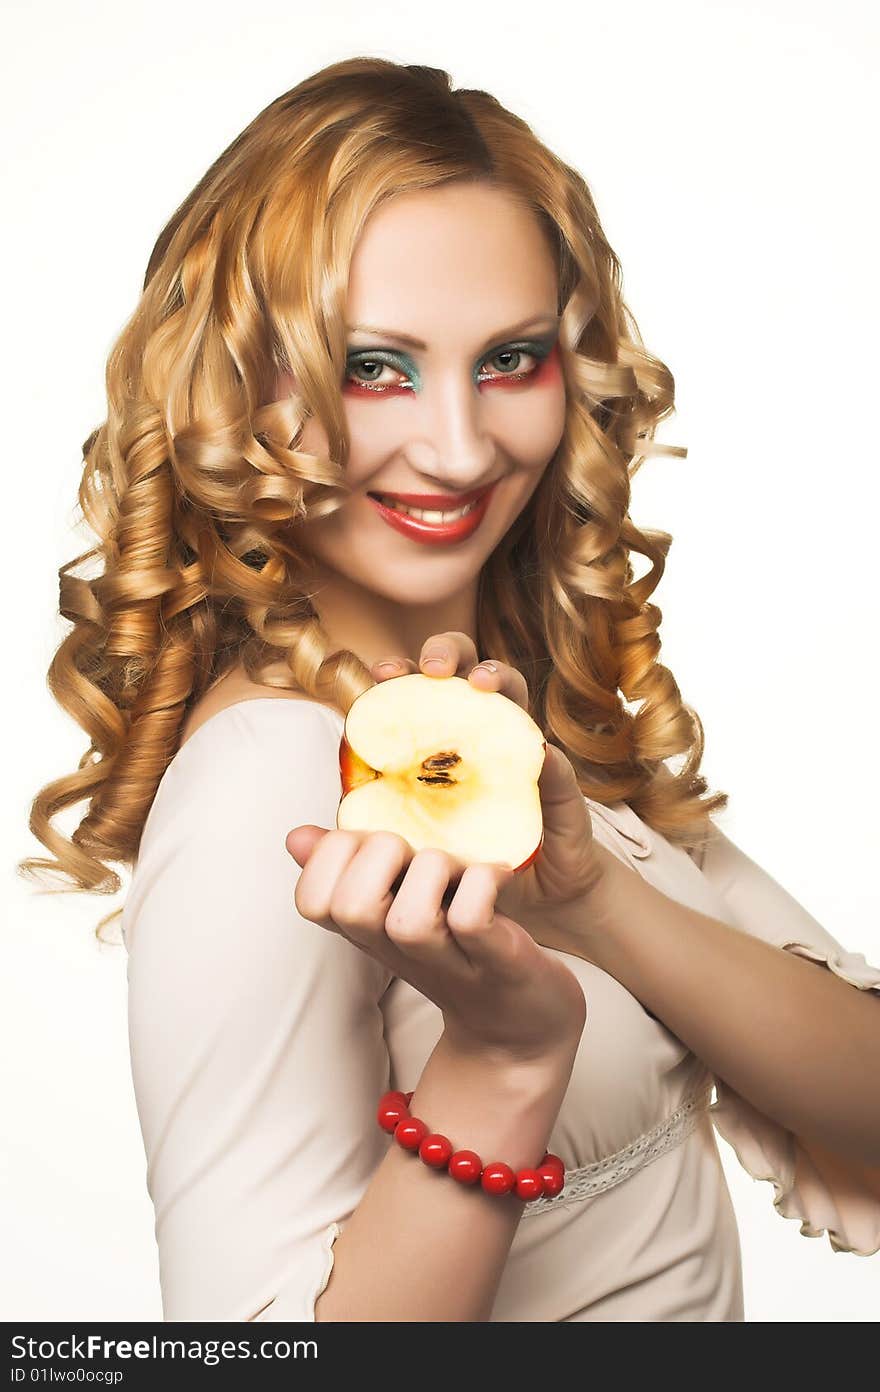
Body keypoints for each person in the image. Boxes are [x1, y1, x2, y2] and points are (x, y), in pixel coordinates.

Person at [19, 56, 880, 1323]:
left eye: (509, 359)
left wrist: (592, 902)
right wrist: (502, 1056)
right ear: (232, 385)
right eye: (372, 367)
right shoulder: (271, 775)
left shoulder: (521, 721)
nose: (461, 448)